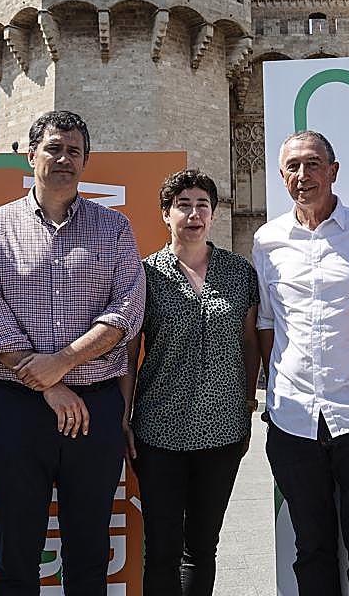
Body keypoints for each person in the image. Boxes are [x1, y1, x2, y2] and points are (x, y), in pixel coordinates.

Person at [0, 109, 145, 596]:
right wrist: (50, 386)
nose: (63, 159)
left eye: (74, 151)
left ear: (85, 162)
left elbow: (127, 310)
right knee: (16, 554)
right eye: (53, 148)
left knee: (90, 556)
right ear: (31, 155)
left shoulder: (114, 229)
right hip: (17, 410)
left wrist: (61, 365)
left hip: (95, 409)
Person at [254, 130, 349, 596]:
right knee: (311, 550)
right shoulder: (267, 240)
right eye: (293, 167)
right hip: (292, 418)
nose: (303, 175)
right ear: (281, 176)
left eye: (313, 164)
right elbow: (268, 323)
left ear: (334, 171)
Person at [120, 169, 260, 596]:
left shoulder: (239, 274)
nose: (194, 213)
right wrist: (124, 419)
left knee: (202, 547)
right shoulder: (145, 275)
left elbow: (250, 341)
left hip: (222, 431)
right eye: (183, 205)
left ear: (214, 213)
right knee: (162, 548)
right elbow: (128, 355)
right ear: (166, 214)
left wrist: (247, 401)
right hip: (159, 432)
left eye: (202, 204)